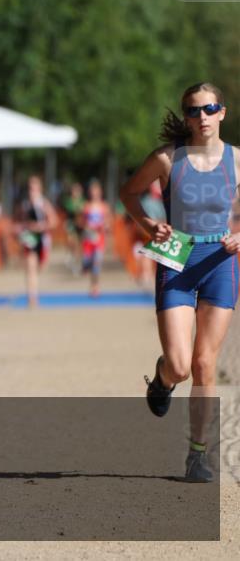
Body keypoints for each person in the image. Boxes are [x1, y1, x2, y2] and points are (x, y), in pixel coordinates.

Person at [119, 82, 235, 483]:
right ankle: (164, 378)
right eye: (193, 111)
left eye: (209, 109)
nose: (201, 117)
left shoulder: (237, 159)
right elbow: (129, 193)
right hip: (178, 256)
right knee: (182, 365)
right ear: (186, 116)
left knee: (205, 364)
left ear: (223, 112)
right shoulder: (168, 159)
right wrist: (149, 224)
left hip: (221, 260)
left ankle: (197, 455)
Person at [14, 175, 58, 309]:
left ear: (40, 189)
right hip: (29, 240)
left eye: (35, 189)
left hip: (42, 240)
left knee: (40, 267)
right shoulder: (24, 205)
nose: (32, 191)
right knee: (30, 268)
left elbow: (54, 222)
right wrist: (23, 227)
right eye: (30, 189)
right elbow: (19, 221)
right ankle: (32, 298)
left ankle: (34, 291)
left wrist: (41, 226)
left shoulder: (44, 204)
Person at [78, 180, 111, 297]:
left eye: (96, 191)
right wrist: (87, 226)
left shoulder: (104, 206)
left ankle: (95, 287)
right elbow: (81, 222)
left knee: (96, 264)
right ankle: (85, 267)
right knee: (87, 262)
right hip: (88, 238)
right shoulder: (86, 206)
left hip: (99, 239)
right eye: (92, 191)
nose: (94, 193)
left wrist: (104, 228)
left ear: (100, 192)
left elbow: (108, 222)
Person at [62, 182, 86, 273]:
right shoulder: (69, 201)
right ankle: (69, 255)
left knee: (79, 246)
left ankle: (77, 263)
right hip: (71, 224)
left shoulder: (83, 201)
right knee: (71, 240)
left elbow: (84, 212)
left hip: (81, 226)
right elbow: (70, 212)